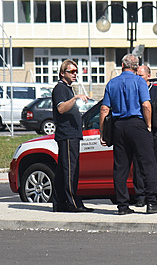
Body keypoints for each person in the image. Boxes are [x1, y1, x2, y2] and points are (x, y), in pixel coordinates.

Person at [99, 54, 157, 215]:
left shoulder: (111, 83)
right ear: (136, 68)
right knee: (148, 163)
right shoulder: (139, 81)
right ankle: (152, 202)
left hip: (118, 126)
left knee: (120, 167)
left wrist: (103, 133)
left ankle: (122, 205)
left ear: (122, 66)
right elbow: (146, 104)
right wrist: (149, 125)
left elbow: (104, 109)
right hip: (137, 124)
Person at [51, 59, 93, 213]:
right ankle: (73, 203)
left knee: (63, 170)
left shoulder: (68, 89)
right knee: (70, 169)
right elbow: (61, 108)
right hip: (67, 135)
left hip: (72, 134)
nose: (75, 74)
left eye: (76, 71)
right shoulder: (60, 89)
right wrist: (75, 99)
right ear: (63, 73)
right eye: (72, 71)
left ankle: (60, 202)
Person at [133, 64, 157, 207]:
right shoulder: (135, 90)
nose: (139, 78)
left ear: (148, 76)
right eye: (137, 75)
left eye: (141, 75)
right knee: (138, 164)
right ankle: (140, 195)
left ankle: (152, 196)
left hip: (154, 132)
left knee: (152, 164)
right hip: (139, 131)